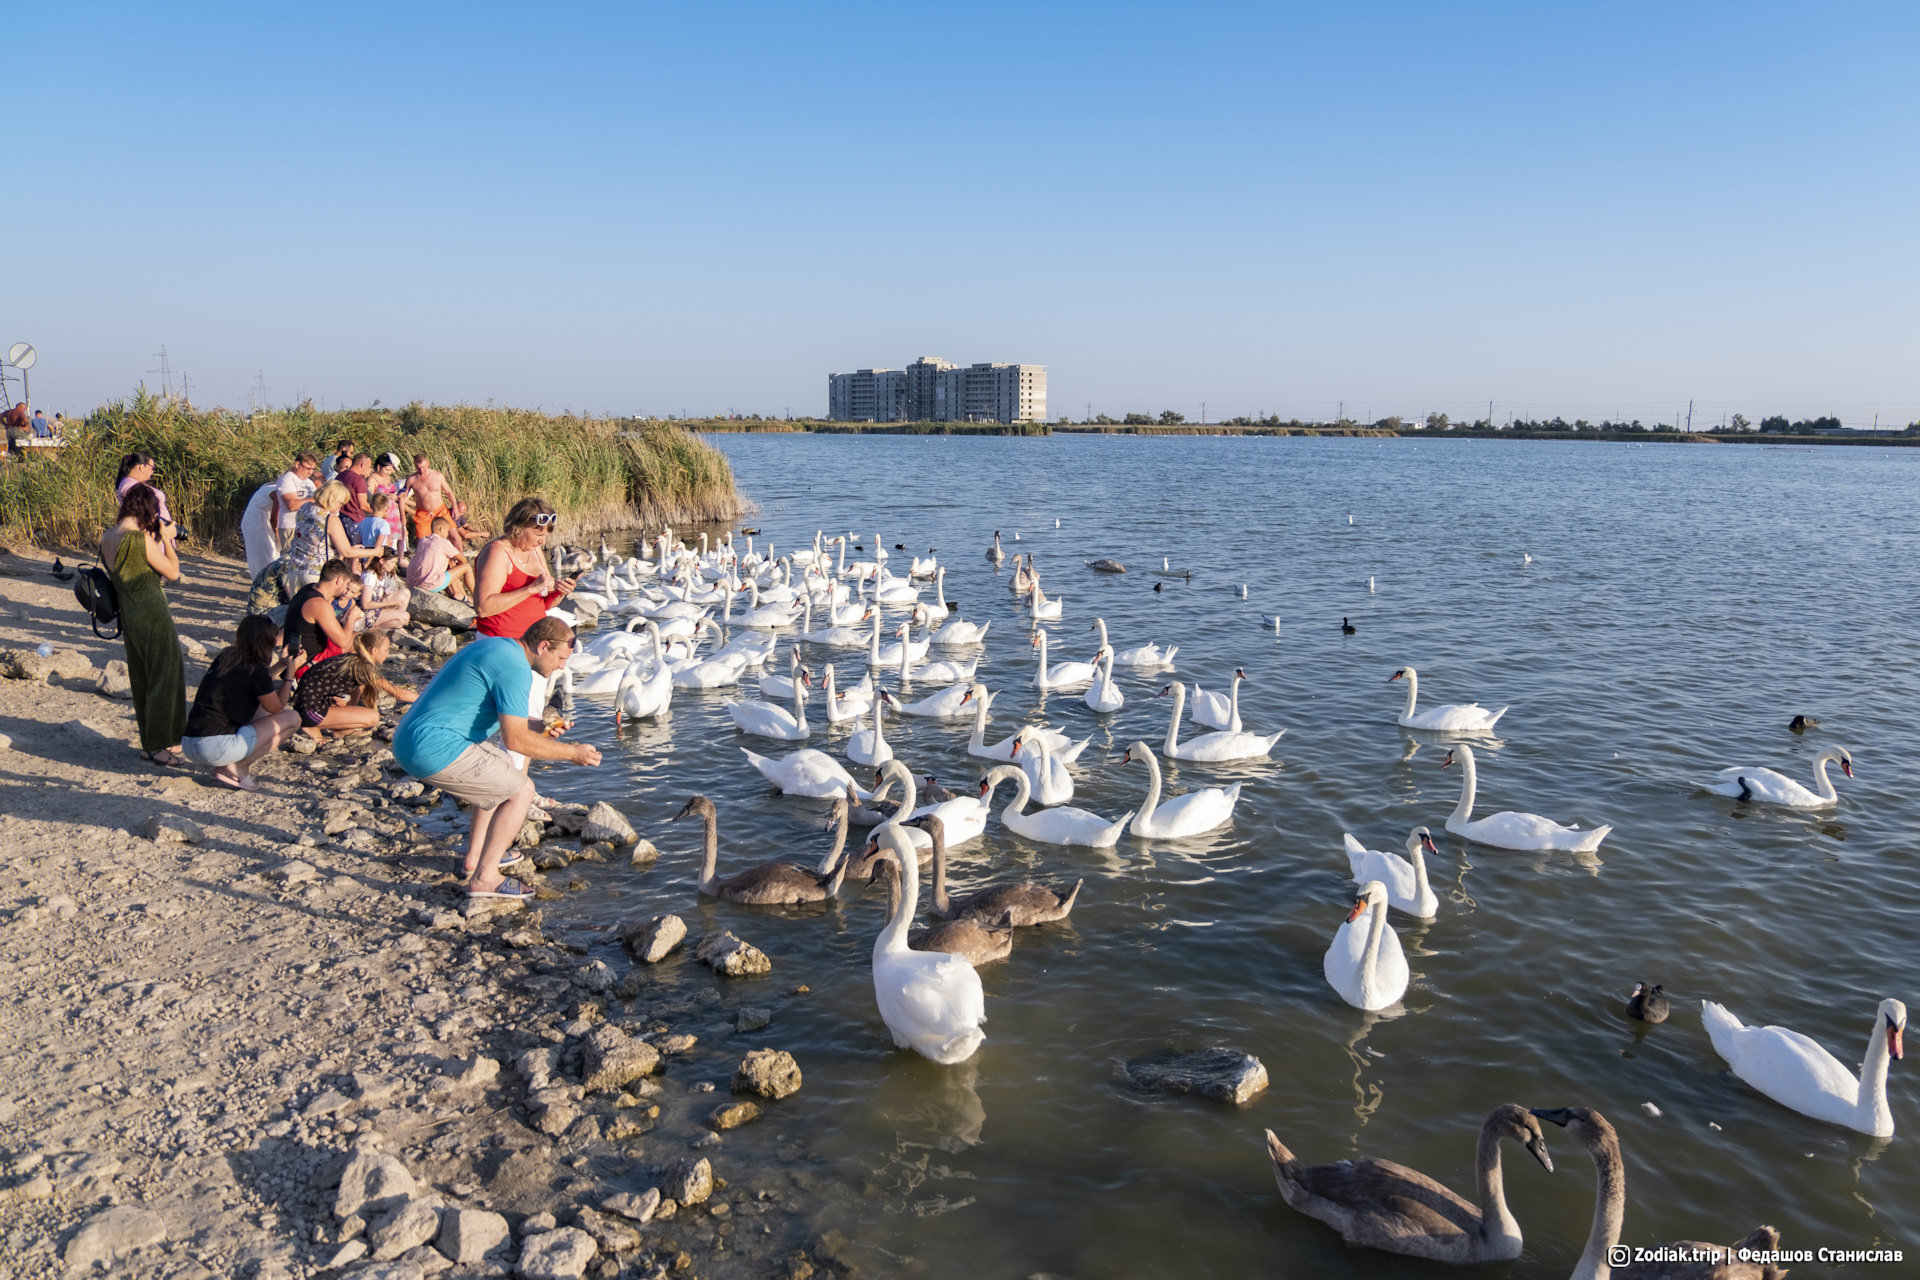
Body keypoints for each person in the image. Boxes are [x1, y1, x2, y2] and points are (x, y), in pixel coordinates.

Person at [393, 616, 599, 902]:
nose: (562, 666)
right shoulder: (516, 669)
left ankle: (475, 858)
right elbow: (515, 740)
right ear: (543, 646)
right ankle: (485, 878)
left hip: (412, 739)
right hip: (431, 747)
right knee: (522, 790)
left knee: (501, 767)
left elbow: (512, 726)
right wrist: (572, 753)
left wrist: (542, 728)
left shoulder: (499, 648)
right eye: (561, 658)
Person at [101, 484, 187, 765]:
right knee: (165, 674)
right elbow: (173, 573)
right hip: (152, 611)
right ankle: (159, 746)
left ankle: (153, 741)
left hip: (129, 612)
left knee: (143, 676)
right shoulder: (139, 540)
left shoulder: (107, 537)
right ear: (147, 511)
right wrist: (167, 539)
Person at [180, 614, 302, 790]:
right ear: (267, 641)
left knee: (263, 708)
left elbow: (261, 685)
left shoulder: (227, 655)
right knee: (292, 718)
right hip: (214, 748)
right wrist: (290, 673)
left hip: (190, 743)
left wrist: (283, 664)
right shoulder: (256, 671)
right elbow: (277, 706)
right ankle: (240, 766)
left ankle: (224, 767)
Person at [474, 496, 575, 639]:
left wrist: (560, 592)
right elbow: (483, 608)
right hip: (500, 640)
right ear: (519, 528)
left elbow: (545, 604)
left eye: (545, 536)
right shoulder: (497, 553)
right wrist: (530, 589)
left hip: (533, 639)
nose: (543, 541)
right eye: (539, 534)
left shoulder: (534, 549)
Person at [294, 628, 416, 741]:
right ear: (374, 650)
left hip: (306, 704)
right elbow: (398, 693)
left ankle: (340, 730)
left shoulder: (355, 660)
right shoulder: (363, 667)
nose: (387, 654)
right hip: (309, 710)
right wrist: (426, 699)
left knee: (358, 688)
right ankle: (311, 725)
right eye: (386, 650)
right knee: (373, 717)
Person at [285, 480, 380, 592]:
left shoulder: (304, 508)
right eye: (340, 503)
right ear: (332, 498)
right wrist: (376, 551)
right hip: (318, 574)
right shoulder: (330, 519)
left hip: (294, 570)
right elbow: (347, 551)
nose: (341, 508)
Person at [286, 558, 361, 675]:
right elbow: (342, 642)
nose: (345, 590)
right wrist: (351, 617)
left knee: (357, 636)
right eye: (346, 584)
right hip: (305, 663)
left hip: (292, 655)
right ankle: (335, 687)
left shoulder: (308, 589)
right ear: (339, 580)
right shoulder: (319, 604)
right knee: (360, 642)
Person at [407, 515, 475, 602]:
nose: (447, 534)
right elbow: (463, 560)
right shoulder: (443, 542)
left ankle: (457, 594)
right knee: (467, 567)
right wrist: (455, 565)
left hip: (414, 583)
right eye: (447, 531)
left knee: (448, 562)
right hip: (430, 584)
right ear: (441, 529)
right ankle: (477, 597)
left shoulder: (423, 541)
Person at [115, 454, 177, 532]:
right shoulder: (129, 485)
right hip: (152, 533)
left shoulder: (131, 484)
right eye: (152, 468)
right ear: (142, 467)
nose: (153, 472)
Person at [405, 453, 458, 543]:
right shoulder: (411, 479)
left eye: (424, 467)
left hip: (440, 510)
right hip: (423, 513)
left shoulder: (437, 476)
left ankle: (460, 556)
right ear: (415, 465)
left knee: (454, 536)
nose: (421, 470)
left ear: (428, 463)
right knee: (422, 542)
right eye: (419, 468)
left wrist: (455, 507)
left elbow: (449, 492)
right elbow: (403, 497)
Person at [239, 475, 283, 579]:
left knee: (268, 554)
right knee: (267, 554)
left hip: (257, 518)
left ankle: (264, 581)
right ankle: (264, 583)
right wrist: (277, 534)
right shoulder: (278, 490)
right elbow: (275, 518)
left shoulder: (274, 485)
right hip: (257, 521)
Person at [355, 549, 411, 631]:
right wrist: (391, 603)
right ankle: (373, 628)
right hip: (365, 613)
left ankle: (396, 626)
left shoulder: (382, 573)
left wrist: (387, 596)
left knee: (405, 592)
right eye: (392, 562)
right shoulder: (370, 576)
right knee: (405, 617)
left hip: (376, 607)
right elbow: (365, 604)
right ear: (382, 561)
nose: (394, 565)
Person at [274, 453, 319, 552]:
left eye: (313, 469)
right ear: (297, 465)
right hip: (290, 526)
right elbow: (292, 505)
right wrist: (315, 499)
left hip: (306, 526)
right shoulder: (287, 479)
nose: (310, 472)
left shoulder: (309, 482)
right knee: (289, 560)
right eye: (308, 468)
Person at [247, 552, 293, 622]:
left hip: (260, 614)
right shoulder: (288, 563)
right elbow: (293, 598)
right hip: (264, 616)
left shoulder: (287, 558)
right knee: (302, 612)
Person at [338, 454, 374, 531]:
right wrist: (378, 512)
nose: (370, 469)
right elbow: (363, 505)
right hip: (355, 520)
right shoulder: (359, 480)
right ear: (363, 465)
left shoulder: (340, 476)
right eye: (369, 467)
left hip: (340, 518)